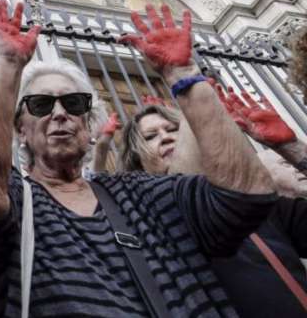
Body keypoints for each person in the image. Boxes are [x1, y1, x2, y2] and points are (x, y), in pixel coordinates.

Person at [0, 0, 277, 317]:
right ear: (21, 131)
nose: (59, 114)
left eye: (74, 103)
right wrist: (9, 62)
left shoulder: (146, 193)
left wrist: (184, 74)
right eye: (40, 104)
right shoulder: (17, 203)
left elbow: (247, 195)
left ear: (89, 124)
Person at [121, 101, 307, 317]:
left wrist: (293, 149)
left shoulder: (254, 202)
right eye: (150, 137)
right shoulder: (147, 230)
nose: (166, 137)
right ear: (137, 163)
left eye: (174, 129)